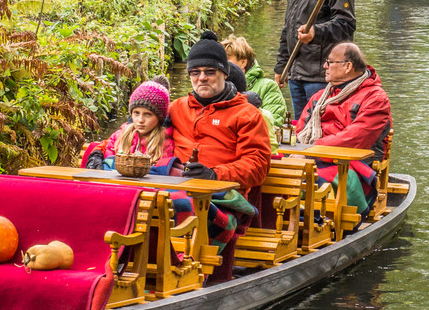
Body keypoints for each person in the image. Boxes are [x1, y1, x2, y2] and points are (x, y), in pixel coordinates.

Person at [170, 31, 270, 281]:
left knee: (188, 208)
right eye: (195, 73)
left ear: (225, 73)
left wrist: (214, 174)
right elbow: (136, 129)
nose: (201, 78)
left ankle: (198, 276)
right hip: (176, 187)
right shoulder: (176, 107)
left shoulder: (247, 114)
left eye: (209, 72)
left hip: (225, 197)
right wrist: (100, 150)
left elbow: (257, 165)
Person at [289, 41, 391, 217]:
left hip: (352, 162)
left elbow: (354, 139)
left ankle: (314, 217)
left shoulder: (376, 98)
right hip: (314, 153)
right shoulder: (320, 96)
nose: (324, 66)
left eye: (329, 62)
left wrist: (309, 152)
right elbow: (300, 131)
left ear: (348, 66)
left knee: (309, 176)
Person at [83, 78, 172, 172]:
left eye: (148, 114)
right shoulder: (119, 136)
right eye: (136, 113)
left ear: (160, 118)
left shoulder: (164, 143)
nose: (140, 120)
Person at [223, 35, 289, 132]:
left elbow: (275, 121)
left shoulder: (269, 87)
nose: (222, 64)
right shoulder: (217, 88)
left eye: (226, 60)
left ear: (243, 62)